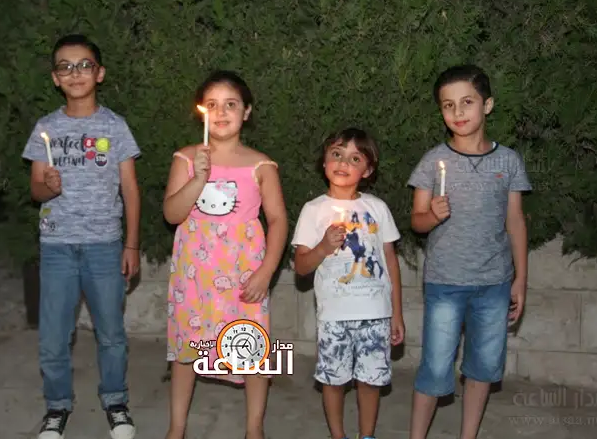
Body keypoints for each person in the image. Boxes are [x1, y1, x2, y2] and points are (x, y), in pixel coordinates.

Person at [22, 34, 142, 439]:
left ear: (99, 73)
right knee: (54, 337)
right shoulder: (46, 128)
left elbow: (130, 189)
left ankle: (116, 402)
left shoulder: (115, 126)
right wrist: (48, 187)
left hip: (105, 246)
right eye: (65, 66)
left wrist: (131, 244)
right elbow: (35, 190)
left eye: (84, 65)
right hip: (57, 247)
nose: (75, 73)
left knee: (111, 334)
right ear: (55, 78)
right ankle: (57, 406)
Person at [406, 65, 531, 439]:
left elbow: (515, 221)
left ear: (487, 105)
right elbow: (416, 221)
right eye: (448, 105)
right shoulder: (432, 162)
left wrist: (521, 279)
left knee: (482, 368)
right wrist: (432, 215)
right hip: (445, 282)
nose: (458, 112)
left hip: (494, 283)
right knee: (435, 368)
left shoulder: (508, 161)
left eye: (467, 102)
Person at [162, 70, 288, 439]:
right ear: (201, 112)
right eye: (212, 105)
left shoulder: (261, 166)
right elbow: (172, 214)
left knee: (251, 344)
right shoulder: (186, 158)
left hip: (243, 271)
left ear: (246, 112)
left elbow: (278, 220)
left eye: (230, 104)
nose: (221, 112)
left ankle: (254, 428)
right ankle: (177, 427)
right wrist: (198, 179)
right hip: (194, 272)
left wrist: (266, 271)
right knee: (187, 345)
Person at [292, 127, 405, 439]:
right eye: (337, 154)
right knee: (334, 380)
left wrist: (396, 313)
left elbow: (390, 262)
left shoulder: (377, 208)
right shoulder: (313, 211)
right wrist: (324, 247)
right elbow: (301, 266)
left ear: (367, 170)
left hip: (375, 312)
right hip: (334, 315)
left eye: (355, 158)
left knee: (370, 380)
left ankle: (366, 435)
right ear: (324, 161)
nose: (343, 163)